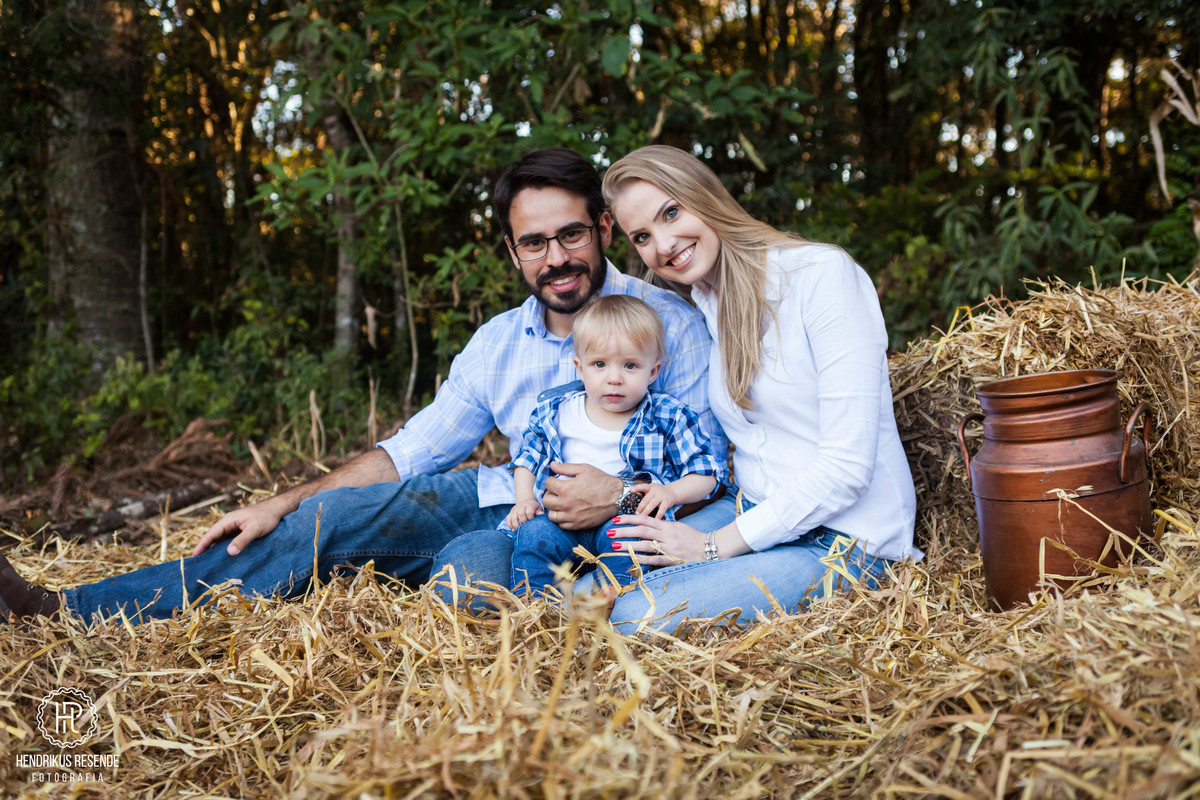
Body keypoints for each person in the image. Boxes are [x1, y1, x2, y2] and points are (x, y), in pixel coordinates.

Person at [0, 147, 725, 624]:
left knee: (461, 593)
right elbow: (409, 453)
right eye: (534, 244)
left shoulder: (671, 325)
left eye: (571, 235)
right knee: (320, 525)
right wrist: (279, 501)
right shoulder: (499, 342)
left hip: (612, 531)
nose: (556, 258)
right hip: (497, 498)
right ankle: (60, 609)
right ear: (512, 252)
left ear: (602, 228)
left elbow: (714, 473)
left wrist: (620, 493)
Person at [589, 144, 921, 634]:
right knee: (582, 595)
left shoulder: (822, 276)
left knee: (638, 617)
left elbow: (848, 467)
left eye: (671, 212)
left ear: (704, 196)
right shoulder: (706, 300)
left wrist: (710, 547)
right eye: (642, 236)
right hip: (753, 509)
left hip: (846, 541)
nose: (663, 244)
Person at [505, 295, 725, 596]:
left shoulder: (667, 416)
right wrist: (524, 498)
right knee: (533, 537)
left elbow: (707, 474)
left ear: (653, 371)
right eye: (599, 364)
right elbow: (528, 458)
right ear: (579, 368)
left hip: (624, 521)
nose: (614, 379)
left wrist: (672, 492)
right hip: (561, 522)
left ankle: (611, 598)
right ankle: (532, 607)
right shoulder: (555, 413)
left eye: (630, 365)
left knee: (629, 546)